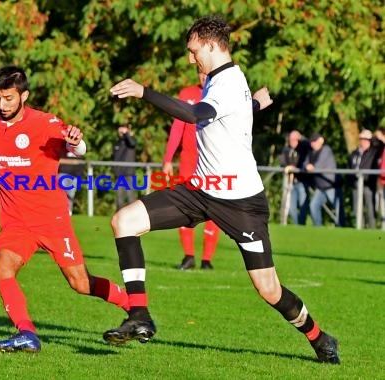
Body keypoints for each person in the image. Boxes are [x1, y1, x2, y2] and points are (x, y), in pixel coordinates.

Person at [103, 15, 340, 364]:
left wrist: (145, 92)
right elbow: (233, 114)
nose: (189, 58)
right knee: (124, 221)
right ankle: (139, 315)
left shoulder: (227, 83)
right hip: (200, 190)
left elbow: (192, 114)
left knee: (268, 289)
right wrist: (256, 105)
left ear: (211, 44)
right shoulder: (222, 80)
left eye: (193, 50)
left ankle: (320, 338)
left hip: (241, 202)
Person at [0, 66, 129, 353]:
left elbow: (78, 148)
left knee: (81, 283)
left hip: (52, 220)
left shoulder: (45, 123)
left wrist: (77, 140)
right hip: (15, 224)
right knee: (2, 268)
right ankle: (27, 333)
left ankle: (134, 308)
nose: (2, 105)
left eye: (9, 98)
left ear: (24, 96)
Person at [162, 73, 219, 270]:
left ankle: (207, 259)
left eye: (207, 73)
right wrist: (168, 159)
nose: (203, 77)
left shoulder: (222, 93)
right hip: (187, 163)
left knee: (213, 210)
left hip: (213, 164)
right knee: (183, 207)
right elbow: (177, 128)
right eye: (200, 73)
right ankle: (188, 256)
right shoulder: (187, 93)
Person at [347, 129, 384, 229]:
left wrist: (374, 136)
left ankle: (372, 229)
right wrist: (351, 182)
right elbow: (350, 167)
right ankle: (360, 229)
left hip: (368, 185)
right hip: (356, 185)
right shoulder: (355, 153)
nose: (363, 141)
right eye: (361, 139)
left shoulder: (373, 151)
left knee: (370, 210)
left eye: (366, 139)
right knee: (356, 210)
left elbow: (379, 143)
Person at [305, 133, 344, 227]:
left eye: (314, 141)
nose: (312, 144)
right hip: (321, 187)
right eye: (311, 142)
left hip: (332, 186)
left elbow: (319, 165)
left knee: (338, 209)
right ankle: (318, 229)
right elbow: (305, 163)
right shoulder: (311, 152)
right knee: (313, 206)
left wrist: (311, 167)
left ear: (321, 140)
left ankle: (342, 228)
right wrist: (307, 166)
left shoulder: (326, 150)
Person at [279, 130, 311, 225]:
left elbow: (304, 161)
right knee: (291, 207)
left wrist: (294, 167)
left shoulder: (304, 148)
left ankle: (301, 225)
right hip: (291, 182)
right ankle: (297, 225)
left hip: (302, 181)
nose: (292, 141)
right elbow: (282, 162)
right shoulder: (286, 149)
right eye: (291, 139)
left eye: (295, 139)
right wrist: (287, 167)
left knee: (303, 206)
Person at [113, 124, 137, 210]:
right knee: (119, 199)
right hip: (119, 174)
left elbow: (132, 143)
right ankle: (120, 218)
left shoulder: (131, 140)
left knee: (131, 197)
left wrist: (127, 133)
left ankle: (134, 217)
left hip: (129, 173)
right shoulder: (117, 142)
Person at [58, 151, 85, 215]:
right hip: (63, 173)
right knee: (61, 195)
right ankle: (60, 212)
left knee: (71, 195)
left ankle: (69, 212)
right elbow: (58, 160)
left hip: (75, 175)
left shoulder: (79, 147)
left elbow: (80, 161)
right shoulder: (63, 146)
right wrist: (72, 162)